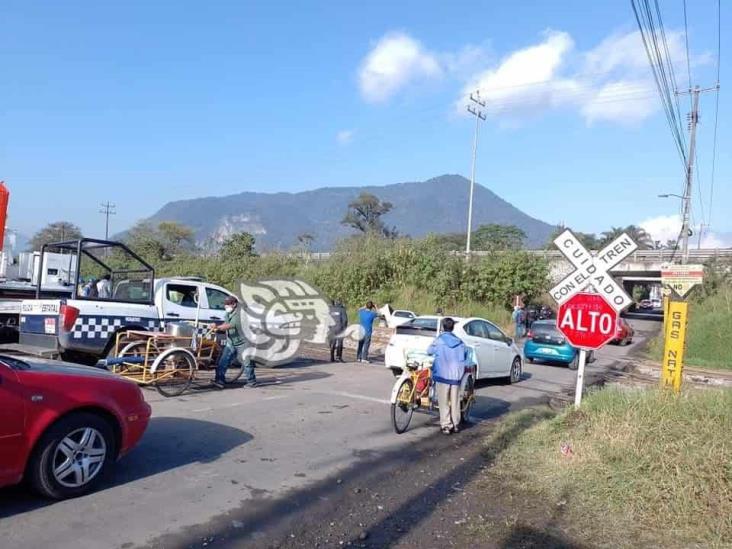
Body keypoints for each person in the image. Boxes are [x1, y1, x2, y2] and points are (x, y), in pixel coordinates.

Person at [427, 317, 468, 435]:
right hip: (456, 376)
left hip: (442, 374)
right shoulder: (460, 342)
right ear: (453, 327)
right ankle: (456, 424)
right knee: (455, 401)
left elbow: (429, 351)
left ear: (443, 327)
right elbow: (465, 354)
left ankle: (446, 425)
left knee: (443, 401)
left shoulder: (439, 340)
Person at [210, 296, 256, 389]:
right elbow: (225, 323)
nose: (226, 306)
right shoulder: (228, 313)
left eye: (228, 304)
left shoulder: (240, 314)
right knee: (223, 361)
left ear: (234, 304)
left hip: (243, 341)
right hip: (231, 341)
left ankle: (252, 381)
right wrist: (216, 327)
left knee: (247, 362)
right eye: (225, 304)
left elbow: (231, 325)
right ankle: (220, 381)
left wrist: (217, 327)